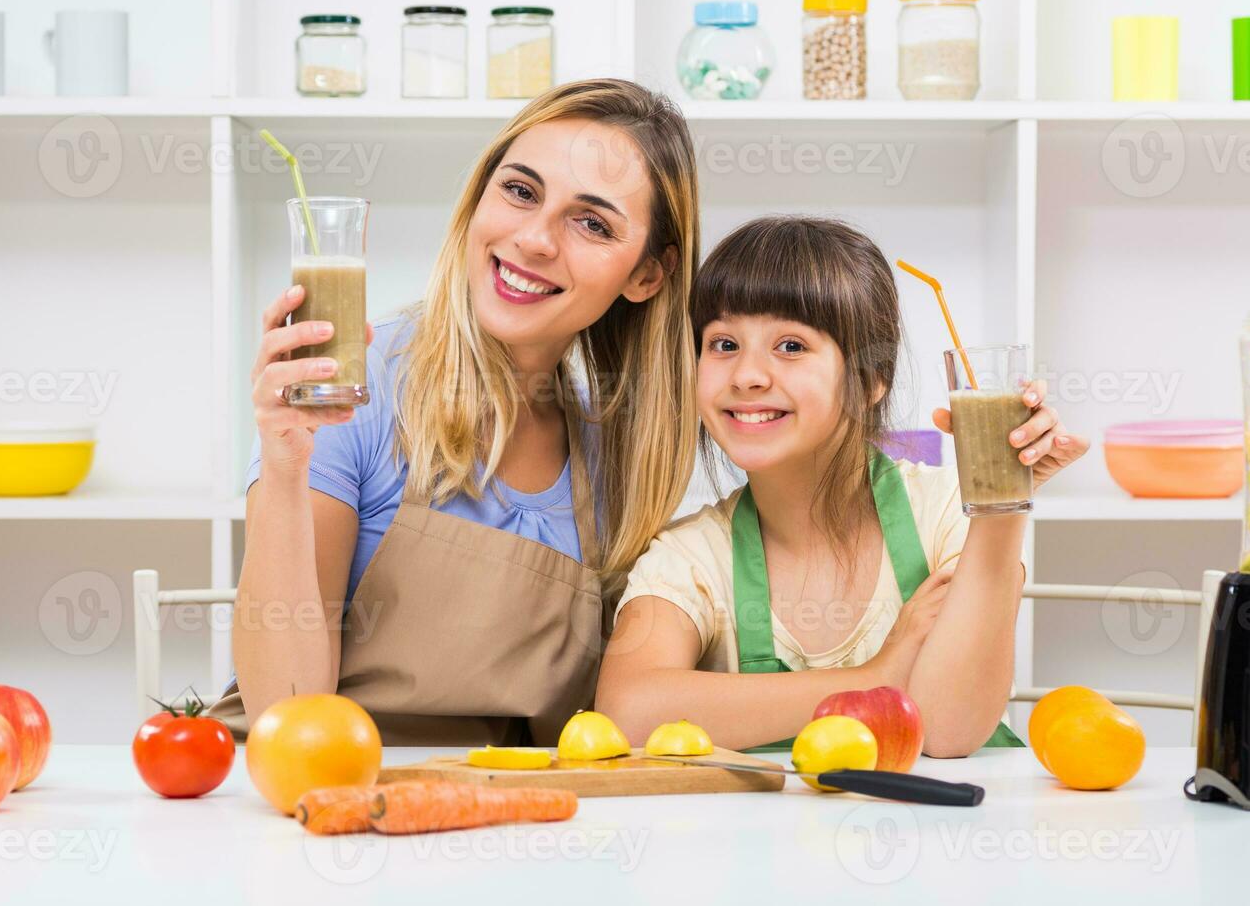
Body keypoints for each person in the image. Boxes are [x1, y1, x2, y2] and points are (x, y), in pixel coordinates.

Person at [209, 80, 701, 745]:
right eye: (521, 191)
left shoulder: (616, 459)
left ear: (646, 276)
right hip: (322, 798)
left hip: (510, 818)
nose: (533, 239)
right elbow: (287, 711)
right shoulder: (358, 391)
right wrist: (286, 466)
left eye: (591, 222)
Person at [595, 216, 1089, 756]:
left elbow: (949, 730)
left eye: (789, 345)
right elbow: (628, 712)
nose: (747, 375)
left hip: (948, 834)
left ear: (872, 379)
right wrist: (878, 675)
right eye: (723, 343)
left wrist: (1001, 499)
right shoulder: (693, 556)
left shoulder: (951, 512)